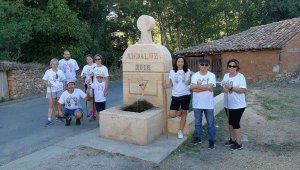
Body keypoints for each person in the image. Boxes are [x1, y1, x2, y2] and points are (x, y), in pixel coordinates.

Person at [190, 58, 216, 149]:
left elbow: (211, 87)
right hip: (197, 104)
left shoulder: (212, 75)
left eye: (205, 65)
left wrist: (197, 87)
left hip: (208, 104)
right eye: (202, 64)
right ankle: (198, 138)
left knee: (211, 123)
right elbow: (193, 89)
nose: (203, 66)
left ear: (208, 66)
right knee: (197, 123)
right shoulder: (195, 76)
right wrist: (206, 87)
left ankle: (212, 141)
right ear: (199, 65)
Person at [221, 58, 247, 150]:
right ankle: (232, 140)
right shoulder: (226, 76)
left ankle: (239, 143)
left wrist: (231, 88)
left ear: (237, 67)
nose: (231, 67)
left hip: (238, 105)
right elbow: (222, 87)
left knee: (235, 123)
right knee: (230, 123)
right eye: (230, 66)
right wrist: (224, 89)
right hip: (228, 104)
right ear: (227, 67)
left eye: (234, 66)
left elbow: (243, 90)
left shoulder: (240, 77)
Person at [168, 56, 191, 139]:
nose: (180, 63)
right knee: (172, 114)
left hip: (185, 95)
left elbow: (194, 76)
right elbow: (171, 84)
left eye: (182, 61)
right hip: (175, 95)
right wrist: (165, 86)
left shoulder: (187, 71)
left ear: (184, 63)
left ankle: (180, 131)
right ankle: (182, 112)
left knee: (184, 114)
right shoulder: (172, 72)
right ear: (176, 62)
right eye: (178, 61)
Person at [43, 58, 66, 126]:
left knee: (59, 104)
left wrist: (64, 87)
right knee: (51, 105)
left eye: (56, 64)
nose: (55, 65)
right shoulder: (48, 71)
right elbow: (44, 80)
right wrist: (47, 84)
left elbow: (63, 80)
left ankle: (58, 116)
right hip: (51, 90)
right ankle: (49, 119)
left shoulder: (60, 71)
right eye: (53, 64)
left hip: (59, 89)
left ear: (58, 64)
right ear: (51, 64)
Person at [90, 54, 109, 118]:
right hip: (95, 87)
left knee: (103, 102)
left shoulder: (104, 68)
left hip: (102, 87)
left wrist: (105, 90)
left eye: (99, 59)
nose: (97, 60)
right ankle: (96, 116)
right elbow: (91, 75)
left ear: (101, 60)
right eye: (96, 59)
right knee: (97, 102)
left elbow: (106, 79)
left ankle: (104, 118)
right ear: (94, 60)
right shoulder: (94, 67)